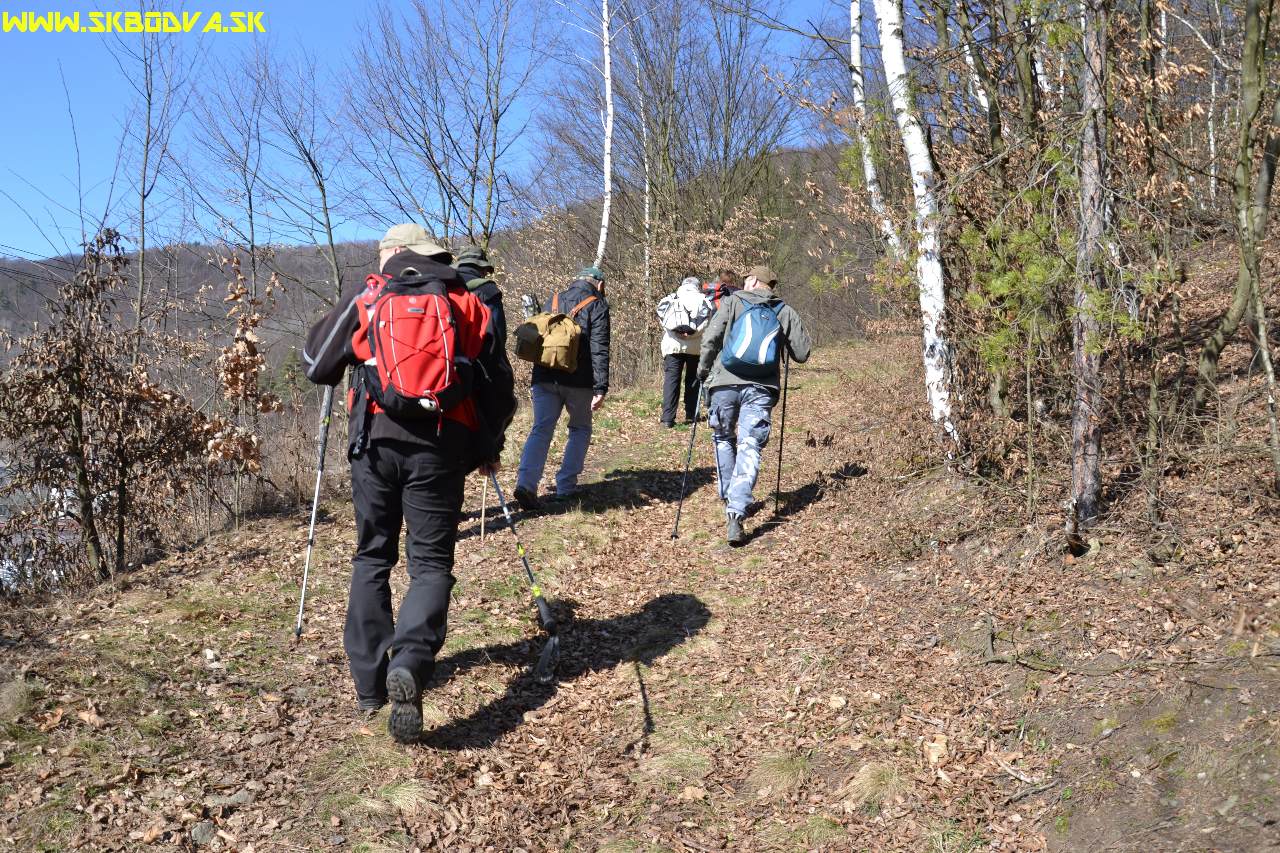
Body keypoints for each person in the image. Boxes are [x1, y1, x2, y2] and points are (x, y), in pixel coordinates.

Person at [302, 223, 516, 743]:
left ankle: (370, 688)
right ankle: (413, 660)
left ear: (392, 255)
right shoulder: (468, 300)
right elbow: (497, 385)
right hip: (442, 447)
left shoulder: (370, 295)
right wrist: (489, 446)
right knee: (430, 563)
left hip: (375, 443)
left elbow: (316, 364)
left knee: (373, 556)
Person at [697, 265, 811, 546]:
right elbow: (802, 353)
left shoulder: (732, 302)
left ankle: (728, 493)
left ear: (752, 281)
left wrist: (702, 370)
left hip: (724, 383)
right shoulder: (784, 310)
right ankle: (736, 511)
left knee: (723, 437)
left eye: (746, 277)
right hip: (761, 387)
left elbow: (712, 338)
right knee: (750, 444)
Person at [513, 266, 610, 511]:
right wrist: (600, 387)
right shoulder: (597, 305)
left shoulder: (554, 298)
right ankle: (566, 487)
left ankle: (526, 483)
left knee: (541, 429)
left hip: (544, 377)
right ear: (598, 285)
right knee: (579, 428)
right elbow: (599, 348)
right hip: (579, 380)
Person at [655, 276, 715, 427]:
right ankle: (691, 414)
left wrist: (677, 332)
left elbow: (662, 318)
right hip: (695, 347)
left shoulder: (671, 298)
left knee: (671, 380)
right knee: (693, 380)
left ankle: (667, 419)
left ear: (683, 285)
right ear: (697, 286)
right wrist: (692, 333)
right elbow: (707, 322)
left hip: (673, 345)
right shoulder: (704, 300)